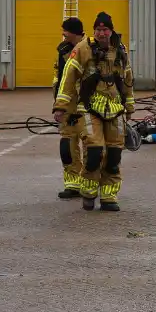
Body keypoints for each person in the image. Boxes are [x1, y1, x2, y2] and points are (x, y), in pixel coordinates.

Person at [52, 11, 134, 212]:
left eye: (105, 29)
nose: (101, 33)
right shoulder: (82, 49)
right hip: (89, 108)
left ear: (111, 30)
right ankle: (88, 193)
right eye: (98, 29)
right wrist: (60, 106)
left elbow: (127, 79)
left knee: (114, 154)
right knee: (94, 150)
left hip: (115, 109)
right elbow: (68, 78)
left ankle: (108, 196)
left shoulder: (120, 50)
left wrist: (129, 106)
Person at [53, 17, 86, 199]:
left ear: (74, 32)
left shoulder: (90, 48)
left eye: (65, 31)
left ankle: (90, 182)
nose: (63, 34)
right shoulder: (63, 49)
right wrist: (58, 105)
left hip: (88, 106)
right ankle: (72, 184)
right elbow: (60, 79)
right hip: (68, 106)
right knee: (67, 145)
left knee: (92, 146)